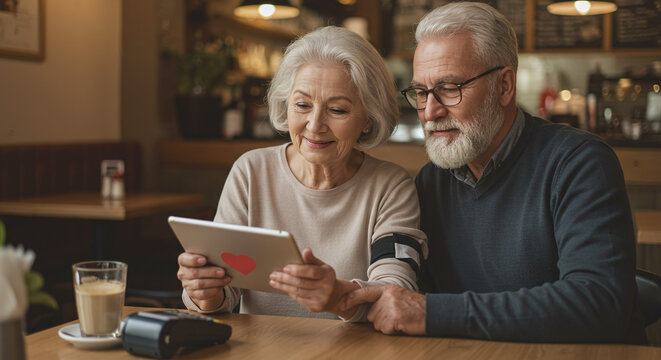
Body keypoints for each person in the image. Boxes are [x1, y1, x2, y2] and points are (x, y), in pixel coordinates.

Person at [344, 2, 646, 343]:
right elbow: (409, 300)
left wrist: (433, 312)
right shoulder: (432, 181)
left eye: (449, 88)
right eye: (421, 92)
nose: (430, 111)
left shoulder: (579, 163)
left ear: (504, 86)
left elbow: (599, 305)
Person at [177, 26, 427, 322]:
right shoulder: (252, 171)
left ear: (368, 120)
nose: (315, 124)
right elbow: (225, 291)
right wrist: (205, 292)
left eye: (337, 109)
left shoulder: (391, 187)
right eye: (302, 105)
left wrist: (339, 298)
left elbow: (396, 292)